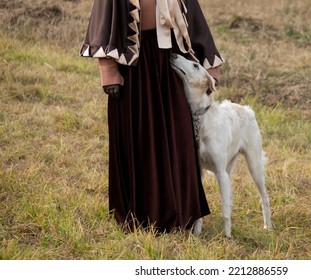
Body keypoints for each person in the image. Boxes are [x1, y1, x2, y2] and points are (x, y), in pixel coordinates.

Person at [80, 0, 224, 232]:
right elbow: (104, 16)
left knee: (179, 135)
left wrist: (209, 61)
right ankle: (141, 216)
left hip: (172, 62)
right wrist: (108, 70)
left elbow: (193, 14)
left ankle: (181, 212)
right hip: (134, 67)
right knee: (140, 138)